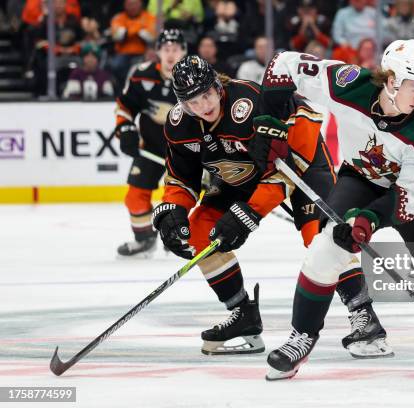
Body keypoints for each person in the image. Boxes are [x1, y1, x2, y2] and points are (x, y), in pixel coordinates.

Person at [252, 39, 414, 380]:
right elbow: (283, 64)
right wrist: (267, 122)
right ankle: (301, 336)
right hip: (361, 178)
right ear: (391, 80)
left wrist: (367, 220)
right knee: (326, 245)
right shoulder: (347, 84)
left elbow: (408, 200)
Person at [151, 55, 392, 357]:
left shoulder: (249, 103)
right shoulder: (180, 125)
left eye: (207, 95)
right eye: (192, 102)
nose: (202, 106)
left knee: (324, 236)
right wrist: (172, 210)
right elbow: (180, 178)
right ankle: (244, 317)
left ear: (217, 85)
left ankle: (364, 315)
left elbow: (293, 151)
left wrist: (250, 213)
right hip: (237, 176)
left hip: (299, 165)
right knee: (200, 231)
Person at [114, 29, 187, 257]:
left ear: (184, 52)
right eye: (166, 49)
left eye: (175, 49)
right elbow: (124, 106)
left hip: (186, 152)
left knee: (180, 197)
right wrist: (125, 129)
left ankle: (180, 235)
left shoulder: (195, 77)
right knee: (135, 196)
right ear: (157, 52)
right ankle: (145, 239)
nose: (170, 54)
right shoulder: (141, 75)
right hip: (150, 149)